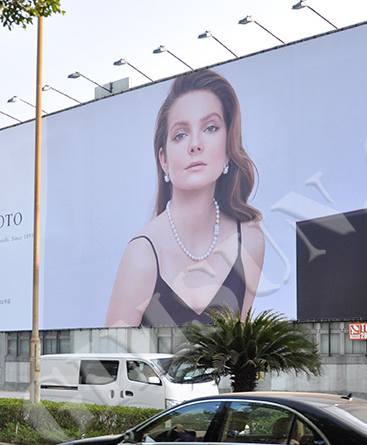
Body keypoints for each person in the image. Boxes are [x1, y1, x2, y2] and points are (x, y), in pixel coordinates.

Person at [106, 70, 265, 327]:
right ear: (164, 160)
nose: (195, 145)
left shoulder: (249, 240)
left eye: (210, 128)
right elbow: (108, 353)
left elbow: (242, 345)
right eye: (180, 134)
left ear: (228, 149)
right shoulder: (142, 255)